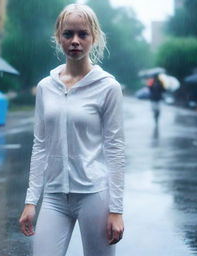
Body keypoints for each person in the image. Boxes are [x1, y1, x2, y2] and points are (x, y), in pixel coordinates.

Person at [19, 4, 125, 256]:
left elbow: (115, 148)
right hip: (55, 196)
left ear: (94, 37)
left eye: (83, 34)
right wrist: (30, 200)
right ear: (58, 37)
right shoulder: (46, 86)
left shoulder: (108, 86)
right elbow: (40, 145)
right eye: (68, 34)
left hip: (94, 196)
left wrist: (116, 209)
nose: (75, 41)